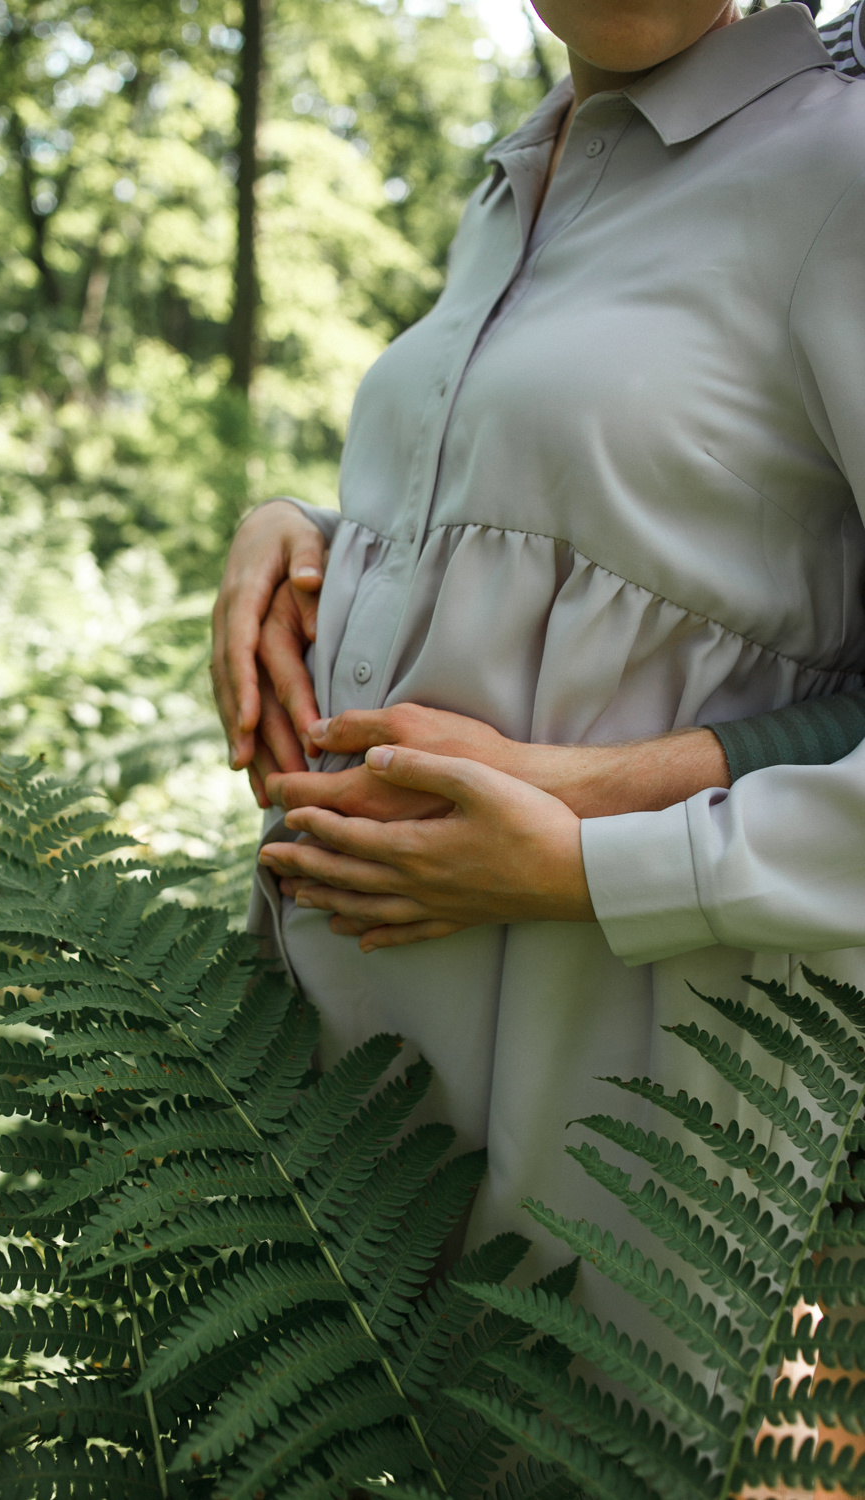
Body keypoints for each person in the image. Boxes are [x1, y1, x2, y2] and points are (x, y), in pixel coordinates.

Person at [212, 0, 865, 1351]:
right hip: (339, 1112)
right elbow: (637, 539)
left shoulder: (839, 160)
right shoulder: (524, 172)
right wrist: (319, 541)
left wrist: (594, 854)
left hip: (620, 1117)